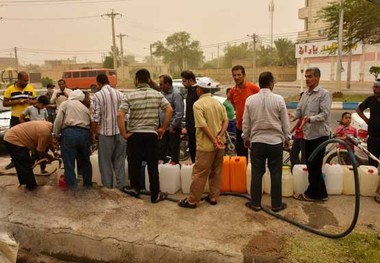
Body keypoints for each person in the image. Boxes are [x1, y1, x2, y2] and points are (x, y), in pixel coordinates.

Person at [117, 68, 173, 203]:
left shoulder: (129, 95)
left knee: (134, 164)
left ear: (136, 80)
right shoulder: (157, 95)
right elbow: (169, 110)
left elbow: (120, 115)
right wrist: (163, 128)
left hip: (135, 135)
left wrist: (124, 134)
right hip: (151, 136)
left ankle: (135, 190)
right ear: (149, 80)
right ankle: (155, 195)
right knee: (153, 166)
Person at [242, 72, 291, 212]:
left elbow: (246, 122)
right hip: (275, 143)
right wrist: (288, 139)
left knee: (257, 173)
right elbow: (285, 123)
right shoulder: (279, 99)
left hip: (257, 142)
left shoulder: (250, 100)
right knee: (276, 174)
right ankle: (276, 205)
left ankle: (255, 203)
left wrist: (246, 138)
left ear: (260, 83)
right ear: (271, 83)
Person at [178, 77, 228, 209]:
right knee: (216, 171)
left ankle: (192, 201)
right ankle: (213, 197)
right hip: (220, 144)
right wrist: (219, 137)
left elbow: (202, 125)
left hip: (206, 146)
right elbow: (226, 121)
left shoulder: (198, 104)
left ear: (199, 89)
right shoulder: (218, 103)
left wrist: (213, 140)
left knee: (199, 173)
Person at [290, 67, 331, 202]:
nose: (307, 79)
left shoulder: (324, 94)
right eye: (306, 76)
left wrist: (311, 119)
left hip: (319, 136)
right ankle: (321, 193)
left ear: (317, 78)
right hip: (307, 136)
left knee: (315, 166)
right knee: (310, 164)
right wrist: (293, 116)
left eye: (310, 76)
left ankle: (312, 193)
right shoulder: (305, 95)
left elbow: (325, 114)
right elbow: (299, 111)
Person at [90, 73, 125, 189]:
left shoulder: (97, 96)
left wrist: (94, 132)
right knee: (119, 161)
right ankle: (120, 187)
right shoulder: (120, 94)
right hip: (120, 133)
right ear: (108, 81)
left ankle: (108, 188)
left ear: (98, 83)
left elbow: (95, 117)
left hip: (105, 134)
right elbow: (126, 114)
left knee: (105, 163)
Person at [53, 89, 92, 189]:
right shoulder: (85, 108)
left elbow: (58, 120)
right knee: (85, 161)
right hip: (85, 133)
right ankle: (88, 185)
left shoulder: (66, 104)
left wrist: (56, 135)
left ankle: (72, 188)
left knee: (69, 162)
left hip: (69, 133)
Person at [4, 121, 55, 190]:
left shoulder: (48, 125)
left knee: (22, 164)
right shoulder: (45, 132)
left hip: (12, 136)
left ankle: (25, 184)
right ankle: (32, 188)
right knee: (24, 164)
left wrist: (54, 151)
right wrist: (49, 156)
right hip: (14, 140)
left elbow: (49, 141)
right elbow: (40, 150)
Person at [3, 71, 37, 169]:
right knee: (12, 140)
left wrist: (30, 101)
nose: (26, 82)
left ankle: (30, 160)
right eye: (24, 80)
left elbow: (35, 101)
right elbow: (5, 103)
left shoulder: (30, 88)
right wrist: (17, 102)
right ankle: (14, 160)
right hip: (15, 117)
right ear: (18, 79)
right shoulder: (10, 89)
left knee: (29, 139)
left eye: (27, 80)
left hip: (27, 118)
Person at [355, 79, 380, 204]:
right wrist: (365, 119)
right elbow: (358, 109)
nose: (374, 89)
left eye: (376, 87)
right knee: (372, 164)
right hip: (373, 138)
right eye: (373, 87)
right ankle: (371, 189)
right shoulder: (371, 100)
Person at [228, 65, 260, 159]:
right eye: (234, 75)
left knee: (256, 155)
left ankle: (257, 173)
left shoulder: (253, 88)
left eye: (239, 75)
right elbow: (234, 106)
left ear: (244, 75)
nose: (237, 77)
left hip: (253, 127)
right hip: (239, 127)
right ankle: (242, 173)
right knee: (241, 156)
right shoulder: (232, 92)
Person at [20, 95, 51, 174]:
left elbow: (46, 119)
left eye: (44, 106)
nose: (43, 107)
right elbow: (21, 117)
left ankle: (43, 169)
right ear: (38, 102)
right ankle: (30, 169)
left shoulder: (44, 109)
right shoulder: (29, 108)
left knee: (44, 152)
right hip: (35, 133)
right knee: (34, 153)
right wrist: (26, 126)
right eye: (42, 105)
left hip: (43, 132)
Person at [158, 74, 184, 164]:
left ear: (167, 84)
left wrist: (173, 125)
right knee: (162, 150)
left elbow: (179, 112)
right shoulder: (162, 93)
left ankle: (174, 169)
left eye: (161, 84)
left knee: (174, 152)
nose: (160, 86)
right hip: (164, 128)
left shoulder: (176, 94)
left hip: (173, 129)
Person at [181, 70, 199, 163]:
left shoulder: (197, 91)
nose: (182, 83)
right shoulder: (190, 91)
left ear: (191, 80)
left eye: (184, 81)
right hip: (191, 128)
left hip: (197, 128)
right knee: (192, 152)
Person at [289, 92, 306, 172]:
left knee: (304, 158)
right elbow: (298, 123)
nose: (300, 100)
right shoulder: (300, 110)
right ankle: (295, 171)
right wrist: (290, 131)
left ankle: (302, 173)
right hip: (298, 136)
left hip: (305, 137)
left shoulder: (308, 110)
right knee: (293, 154)